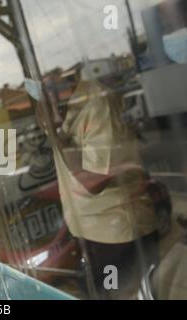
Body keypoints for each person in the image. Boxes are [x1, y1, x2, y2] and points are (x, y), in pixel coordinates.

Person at [37, 78, 159, 299]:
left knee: (115, 293)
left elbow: (94, 181)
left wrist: (55, 130)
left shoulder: (96, 102)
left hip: (114, 237)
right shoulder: (62, 105)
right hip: (89, 233)